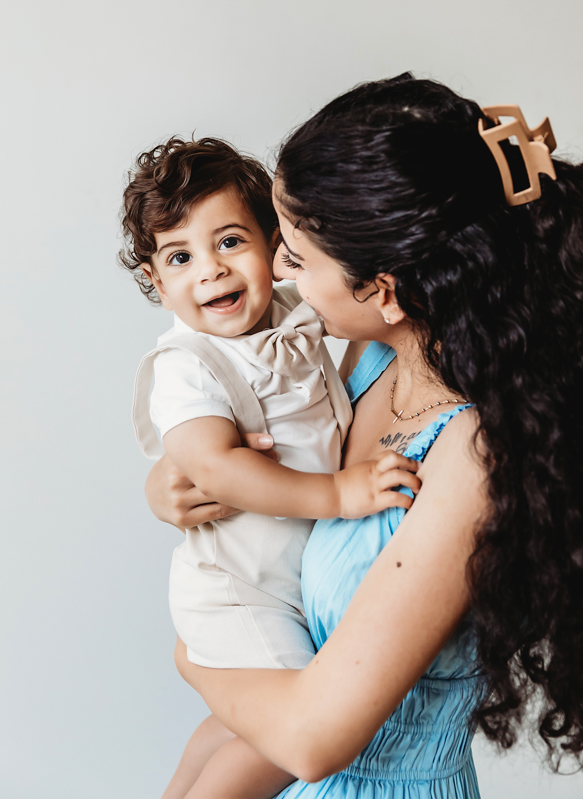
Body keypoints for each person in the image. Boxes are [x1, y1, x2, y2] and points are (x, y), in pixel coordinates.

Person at [146, 74, 583, 797]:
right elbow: (250, 437)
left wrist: (194, 662)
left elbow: (312, 740)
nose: (277, 270)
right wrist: (177, 480)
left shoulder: (473, 455)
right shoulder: (362, 358)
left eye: (297, 256)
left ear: (382, 292)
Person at [119, 137, 421, 799]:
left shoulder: (293, 314)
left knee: (228, 729)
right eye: (180, 256)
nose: (210, 271)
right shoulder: (187, 365)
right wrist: (339, 494)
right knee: (281, 737)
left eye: (229, 242)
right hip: (236, 588)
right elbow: (214, 469)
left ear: (273, 247)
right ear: (156, 280)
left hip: (278, 578)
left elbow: (356, 297)